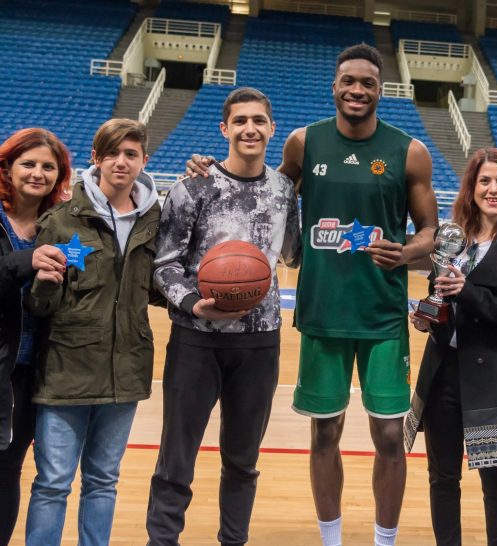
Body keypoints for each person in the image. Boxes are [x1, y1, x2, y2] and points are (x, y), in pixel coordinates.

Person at [186, 44, 438, 546]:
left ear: (381, 90)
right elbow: (262, 190)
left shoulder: (409, 151)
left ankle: (384, 541)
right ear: (334, 86)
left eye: (368, 83)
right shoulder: (305, 143)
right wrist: (211, 168)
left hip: (383, 315)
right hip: (322, 312)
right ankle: (332, 540)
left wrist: (407, 252)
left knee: (391, 436)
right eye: (349, 81)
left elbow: (430, 230)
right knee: (325, 432)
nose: (358, 90)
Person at [146, 87, 301, 546]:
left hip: (259, 341)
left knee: (242, 461)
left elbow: (293, 254)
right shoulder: (191, 187)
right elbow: (164, 264)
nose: (249, 129)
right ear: (224, 128)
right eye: (240, 121)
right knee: (176, 459)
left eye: (258, 121)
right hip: (196, 338)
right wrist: (191, 301)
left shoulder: (283, 191)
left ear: (272, 128)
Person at [24, 118, 161, 546]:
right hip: (65, 373)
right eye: (112, 153)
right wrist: (45, 287)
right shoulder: (61, 220)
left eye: (131, 154)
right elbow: (38, 307)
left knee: (103, 480)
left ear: (144, 160)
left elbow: (157, 287)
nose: (121, 162)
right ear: (96, 158)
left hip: (126, 373)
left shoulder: (155, 220)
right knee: (53, 483)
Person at [404, 147, 497, 546]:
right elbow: (439, 295)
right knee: (442, 477)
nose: (493, 189)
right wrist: (428, 317)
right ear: (472, 188)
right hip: (443, 372)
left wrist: (467, 291)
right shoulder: (452, 236)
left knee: (495, 482)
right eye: (485, 181)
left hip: (493, 376)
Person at [0, 128, 70, 545]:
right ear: (7, 167)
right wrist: (28, 260)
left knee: (9, 467)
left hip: (32, 371)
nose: (38, 173)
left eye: (48, 166)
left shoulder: (61, 224)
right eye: (28, 164)